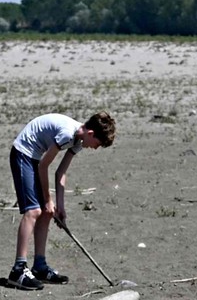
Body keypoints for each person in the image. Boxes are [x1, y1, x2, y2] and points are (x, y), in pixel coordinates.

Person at [6, 111, 115, 289]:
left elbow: (60, 173)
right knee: (34, 211)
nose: (95, 148)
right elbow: (44, 166)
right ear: (90, 134)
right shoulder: (67, 134)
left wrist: (60, 207)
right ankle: (18, 270)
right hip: (23, 153)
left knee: (48, 213)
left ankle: (39, 267)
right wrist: (48, 200)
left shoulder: (78, 142)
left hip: (35, 157)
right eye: (98, 144)